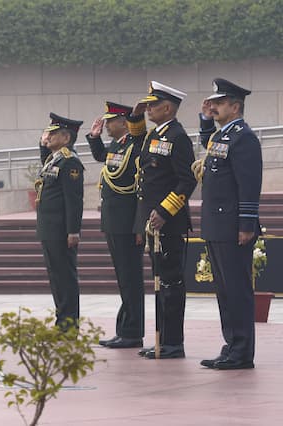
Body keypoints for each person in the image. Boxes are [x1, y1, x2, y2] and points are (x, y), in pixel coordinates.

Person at [197, 78, 262, 370]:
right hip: (217, 223)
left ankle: (242, 351)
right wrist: (204, 119)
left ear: (235, 107)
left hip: (234, 224)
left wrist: (246, 224)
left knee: (237, 289)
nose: (214, 106)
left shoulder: (243, 137)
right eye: (214, 102)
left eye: (220, 103)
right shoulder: (222, 136)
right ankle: (231, 345)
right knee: (224, 290)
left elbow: (249, 185)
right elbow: (211, 149)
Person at [135, 81, 197, 359]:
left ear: (168, 107)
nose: (148, 108)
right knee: (159, 281)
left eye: (152, 104)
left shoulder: (177, 136)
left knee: (171, 283)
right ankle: (162, 338)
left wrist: (164, 210)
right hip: (153, 221)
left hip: (168, 222)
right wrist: (135, 118)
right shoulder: (154, 135)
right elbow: (141, 157)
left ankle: (173, 342)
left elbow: (187, 179)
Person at [86, 102, 145, 348]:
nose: (107, 125)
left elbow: (141, 188)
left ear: (124, 122)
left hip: (127, 223)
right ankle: (124, 328)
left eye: (111, 121)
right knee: (123, 278)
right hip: (113, 220)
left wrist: (139, 225)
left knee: (131, 278)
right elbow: (104, 158)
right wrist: (94, 138)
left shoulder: (135, 144)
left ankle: (132, 332)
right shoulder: (117, 145)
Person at [36, 112, 84, 330]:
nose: (48, 137)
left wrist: (73, 231)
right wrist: (42, 144)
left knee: (65, 277)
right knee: (56, 277)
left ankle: (69, 325)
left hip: (61, 230)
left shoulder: (70, 162)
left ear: (66, 138)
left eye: (53, 134)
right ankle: (61, 321)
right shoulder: (54, 159)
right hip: (50, 228)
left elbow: (74, 201)